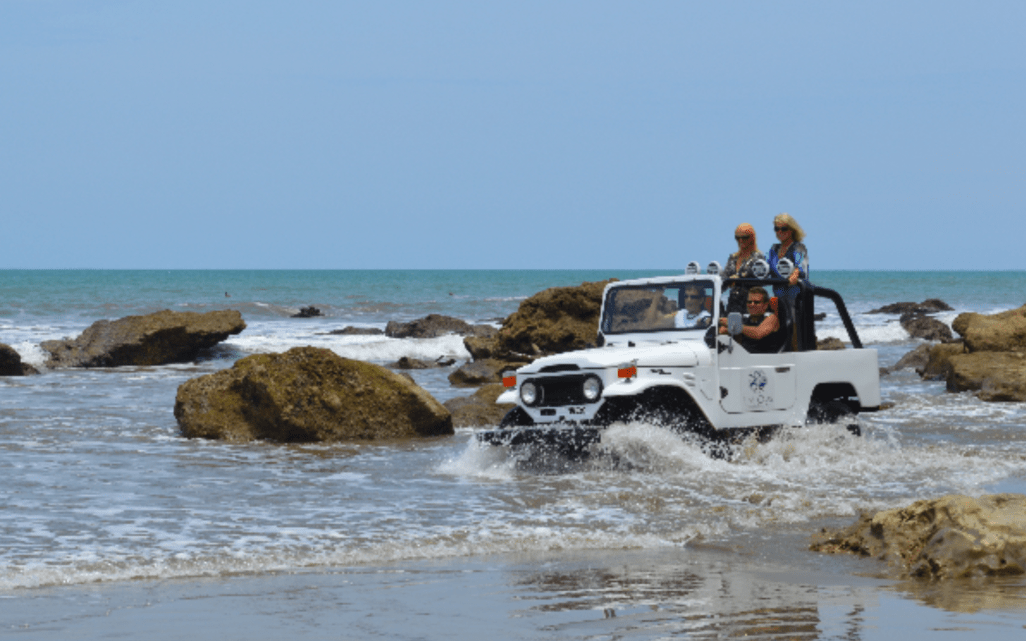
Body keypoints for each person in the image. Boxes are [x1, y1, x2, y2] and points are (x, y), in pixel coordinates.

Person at [718, 286, 781, 353]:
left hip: (767, 360)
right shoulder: (745, 319)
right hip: (744, 358)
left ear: (765, 305)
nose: (752, 305)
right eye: (749, 302)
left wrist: (734, 325)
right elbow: (723, 331)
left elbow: (758, 333)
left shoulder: (772, 318)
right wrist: (722, 326)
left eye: (756, 302)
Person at [722, 223, 766, 313]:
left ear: (752, 238)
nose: (741, 240)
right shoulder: (733, 258)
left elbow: (751, 274)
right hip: (733, 303)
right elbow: (724, 277)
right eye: (737, 238)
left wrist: (737, 277)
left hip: (751, 305)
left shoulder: (758, 257)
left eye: (745, 237)